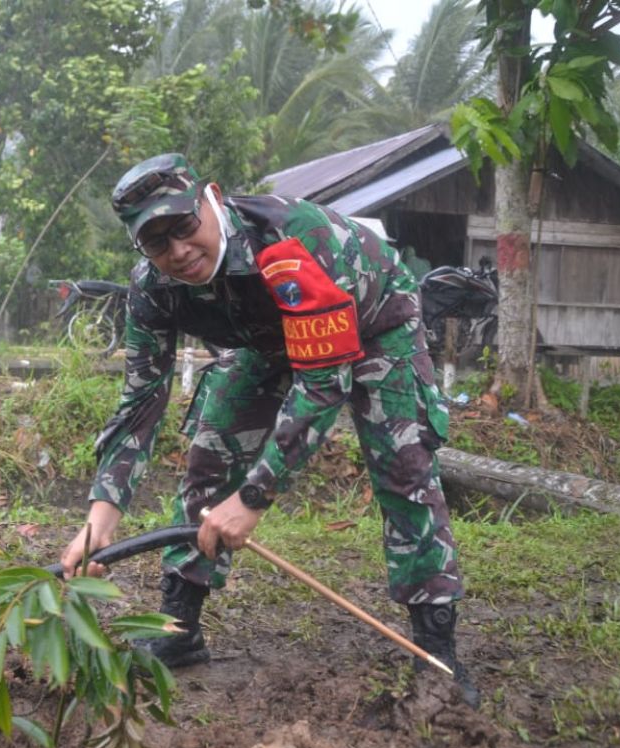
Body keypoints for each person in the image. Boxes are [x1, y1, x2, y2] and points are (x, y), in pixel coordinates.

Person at [60, 153, 478, 707]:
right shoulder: (154, 289)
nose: (179, 252)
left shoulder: (291, 242)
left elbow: (323, 385)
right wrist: (101, 516)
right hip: (271, 341)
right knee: (211, 453)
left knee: (403, 465)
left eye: (184, 227)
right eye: (157, 243)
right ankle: (179, 628)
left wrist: (253, 498)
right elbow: (140, 399)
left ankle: (436, 647)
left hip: (378, 323)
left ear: (211, 199)